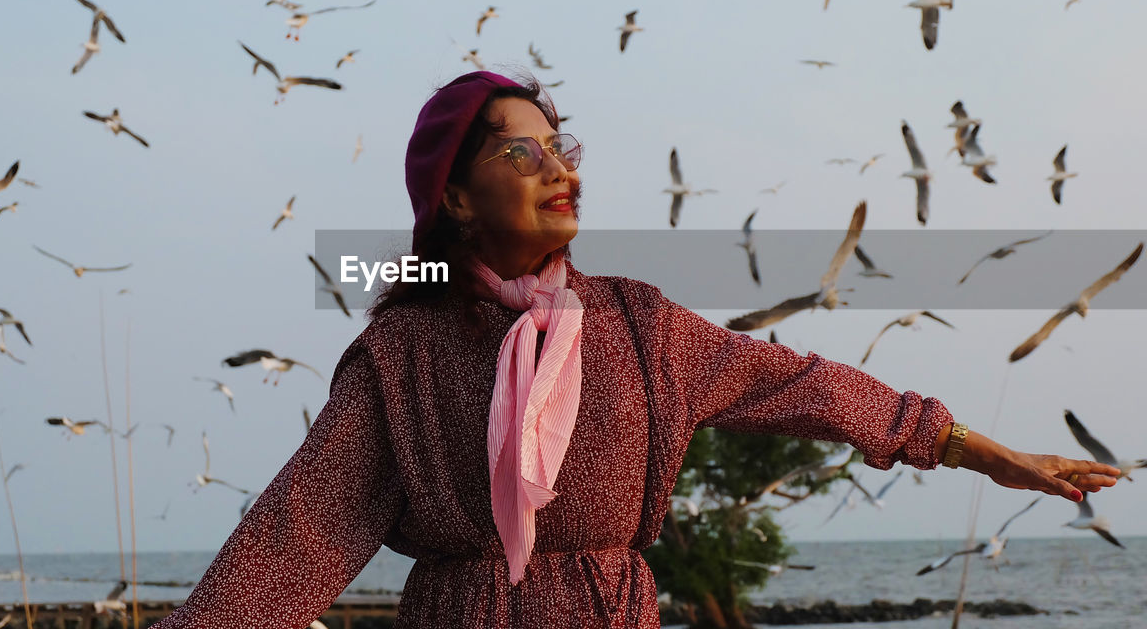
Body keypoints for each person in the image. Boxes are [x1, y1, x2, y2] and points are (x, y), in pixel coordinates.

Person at [152, 71, 1120, 629]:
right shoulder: (403, 351)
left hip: (614, 611)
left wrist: (984, 453)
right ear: (452, 198)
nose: (557, 168)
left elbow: (808, 388)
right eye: (519, 154)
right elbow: (300, 534)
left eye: (560, 145)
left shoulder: (638, 323)